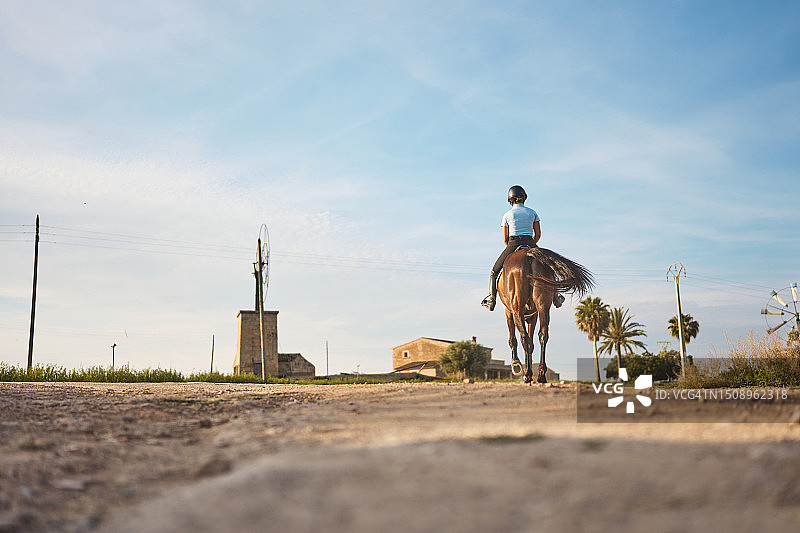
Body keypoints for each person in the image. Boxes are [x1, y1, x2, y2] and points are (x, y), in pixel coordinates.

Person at [481, 185, 564, 311]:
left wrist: (512, 249)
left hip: (513, 243)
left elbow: (505, 238)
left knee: (494, 272)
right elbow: (538, 234)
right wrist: (531, 246)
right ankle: (556, 298)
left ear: (510, 199)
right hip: (530, 243)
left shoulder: (507, 215)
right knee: (550, 267)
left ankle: (492, 300)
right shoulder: (532, 212)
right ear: (524, 198)